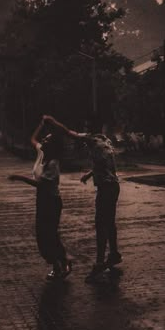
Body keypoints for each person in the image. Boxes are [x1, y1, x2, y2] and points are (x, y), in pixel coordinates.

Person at [42, 115, 122, 282]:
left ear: (90, 127)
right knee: (109, 222)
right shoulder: (104, 139)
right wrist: (90, 174)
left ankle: (99, 263)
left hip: (107, 189)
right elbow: (103, 163)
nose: (84, 128)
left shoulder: (92, 139)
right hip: (113, 186)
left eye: (86, 125)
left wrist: (52, 121)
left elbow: (68, 133)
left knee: (101, 224)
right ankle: (113, 253)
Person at [9, 119, 72, 281]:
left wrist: (19, 177)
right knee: (42, 235)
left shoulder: (53, 164)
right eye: (44, 138)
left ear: (53, 146)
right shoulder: (42, 154)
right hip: (42, 201)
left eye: (48, 139)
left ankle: (64, 262)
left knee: (50, 235)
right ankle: (56, 265)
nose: (43, 140)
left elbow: (41, 185)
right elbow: (33, 139)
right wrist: (42, 125)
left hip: (51, 201)